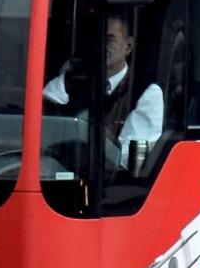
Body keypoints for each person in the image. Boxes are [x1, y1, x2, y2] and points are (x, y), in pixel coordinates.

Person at [42, 12, 164, 179]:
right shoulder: (72, 80)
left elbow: (128, 160)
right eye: (97, 39)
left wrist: (101, 138)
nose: (101, 45)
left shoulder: (147, 92)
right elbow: (43, 122)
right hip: (64, 177)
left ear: (128, 46)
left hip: (112, 189)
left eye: (110, 39)